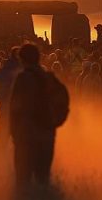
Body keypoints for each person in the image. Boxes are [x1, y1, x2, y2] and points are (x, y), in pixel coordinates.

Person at [10, 43, 69, 187]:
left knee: (23, 180)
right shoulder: (49, 77)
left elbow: (15, 109)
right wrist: (54, 123)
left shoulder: (22, 79)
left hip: (25, 135)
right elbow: (63, 100)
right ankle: (43, 199)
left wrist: (14, 133)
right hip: (47, 134)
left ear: (22, 59)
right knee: (43, 178)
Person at [0, 47, 23, 161]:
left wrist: (3, 102)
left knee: (3, 139)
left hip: (5, 111)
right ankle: (17, 165)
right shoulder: (24, 72)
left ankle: (1, 164)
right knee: (20, 142)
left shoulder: (1, 72)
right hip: (21, 114)